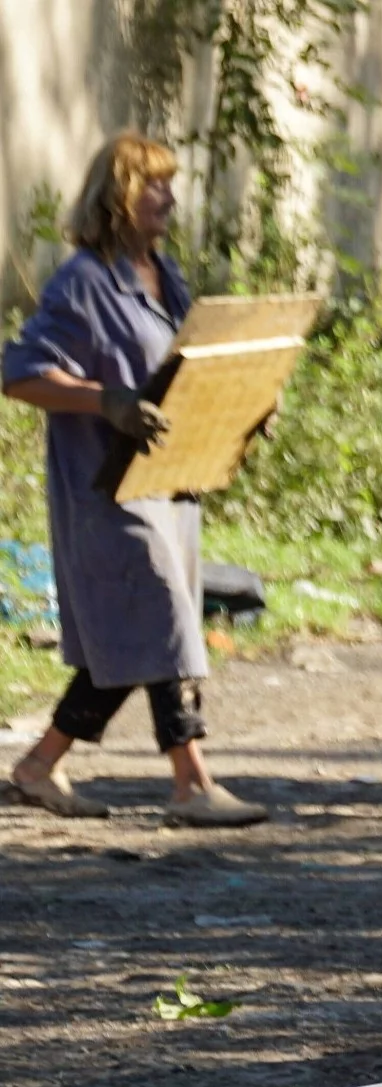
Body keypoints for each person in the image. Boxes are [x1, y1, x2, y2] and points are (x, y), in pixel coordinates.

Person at [1, 132, 266, 826]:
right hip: (104, 486)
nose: (168, 197)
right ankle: (191, 784)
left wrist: (242, 405)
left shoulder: (163, 274)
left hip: (168, 481)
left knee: (133, 632)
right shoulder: (84, 281)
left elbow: (185, 366)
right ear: (118, 193)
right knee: (161, 618)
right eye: (154, 184)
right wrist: (104, 401)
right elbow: (21, 373)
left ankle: (37, 765)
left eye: (169, 184)